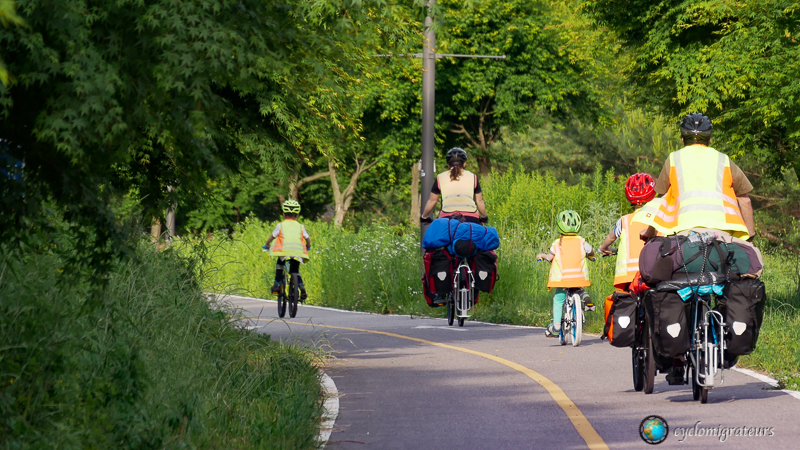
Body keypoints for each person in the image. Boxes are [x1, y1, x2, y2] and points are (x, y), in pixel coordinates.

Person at [634, 113, 756, 241]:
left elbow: (661, 201)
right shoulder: (724, 160)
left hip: (683, 230)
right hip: (722, 230)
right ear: (710, 140)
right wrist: (750, 236)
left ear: (682, 140)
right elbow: (745, 201)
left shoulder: (674, 159)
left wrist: (650, 232)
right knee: (750, 254)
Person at [536, 210, 596, 338]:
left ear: (560, 226)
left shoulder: (557, 243)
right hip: (579, 278)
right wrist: (591, 256)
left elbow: (550, 257)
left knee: (558, 300)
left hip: (563, 280)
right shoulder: (581, 241)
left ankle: (556, 327)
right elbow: (590, 251)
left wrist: (542, 256)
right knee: (578, 287)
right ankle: (584, 296)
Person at [598, 173, 657, 291]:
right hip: (654, 273)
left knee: (625, 299)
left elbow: (611, 237)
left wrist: (603, 248)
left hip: (628, 275)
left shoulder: (624, 220)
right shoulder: (658, 217)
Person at [420, 147, 489, 224]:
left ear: (448, 165)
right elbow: (479, 201)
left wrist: (424, 217)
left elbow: (432, 201)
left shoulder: (440, 177)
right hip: (471, 218)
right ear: (464, 164)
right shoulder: (473, 177)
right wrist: (484, 217)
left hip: (447, 218)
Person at [264, 199, 311, 300]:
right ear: (297, 215)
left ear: (283, 214)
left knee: (280, 264)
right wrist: (308, 246)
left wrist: (267, 245)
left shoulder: (280, 225)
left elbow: (272, 236)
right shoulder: (301, 226)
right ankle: (301, 287)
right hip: (298, 252)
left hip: (284, 252)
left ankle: (277, 284)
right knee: (295, 270)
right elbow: (307, 238)